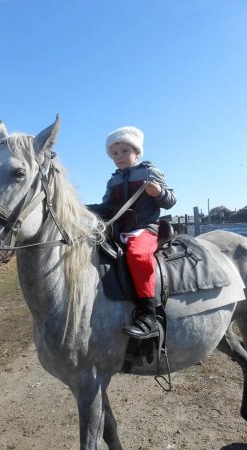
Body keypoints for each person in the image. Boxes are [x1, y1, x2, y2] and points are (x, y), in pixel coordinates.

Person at [89, 126, 176, 339]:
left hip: (145, 228)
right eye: (115, 153)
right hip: (119, 230)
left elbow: (171, 201)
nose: (119, 156)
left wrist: (159, 192)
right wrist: (83, 208)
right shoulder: (113, 180)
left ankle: (149, 315)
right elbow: (107, 207)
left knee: (137, 255)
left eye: (125, 151)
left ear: (137, 152)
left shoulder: (149, 172)